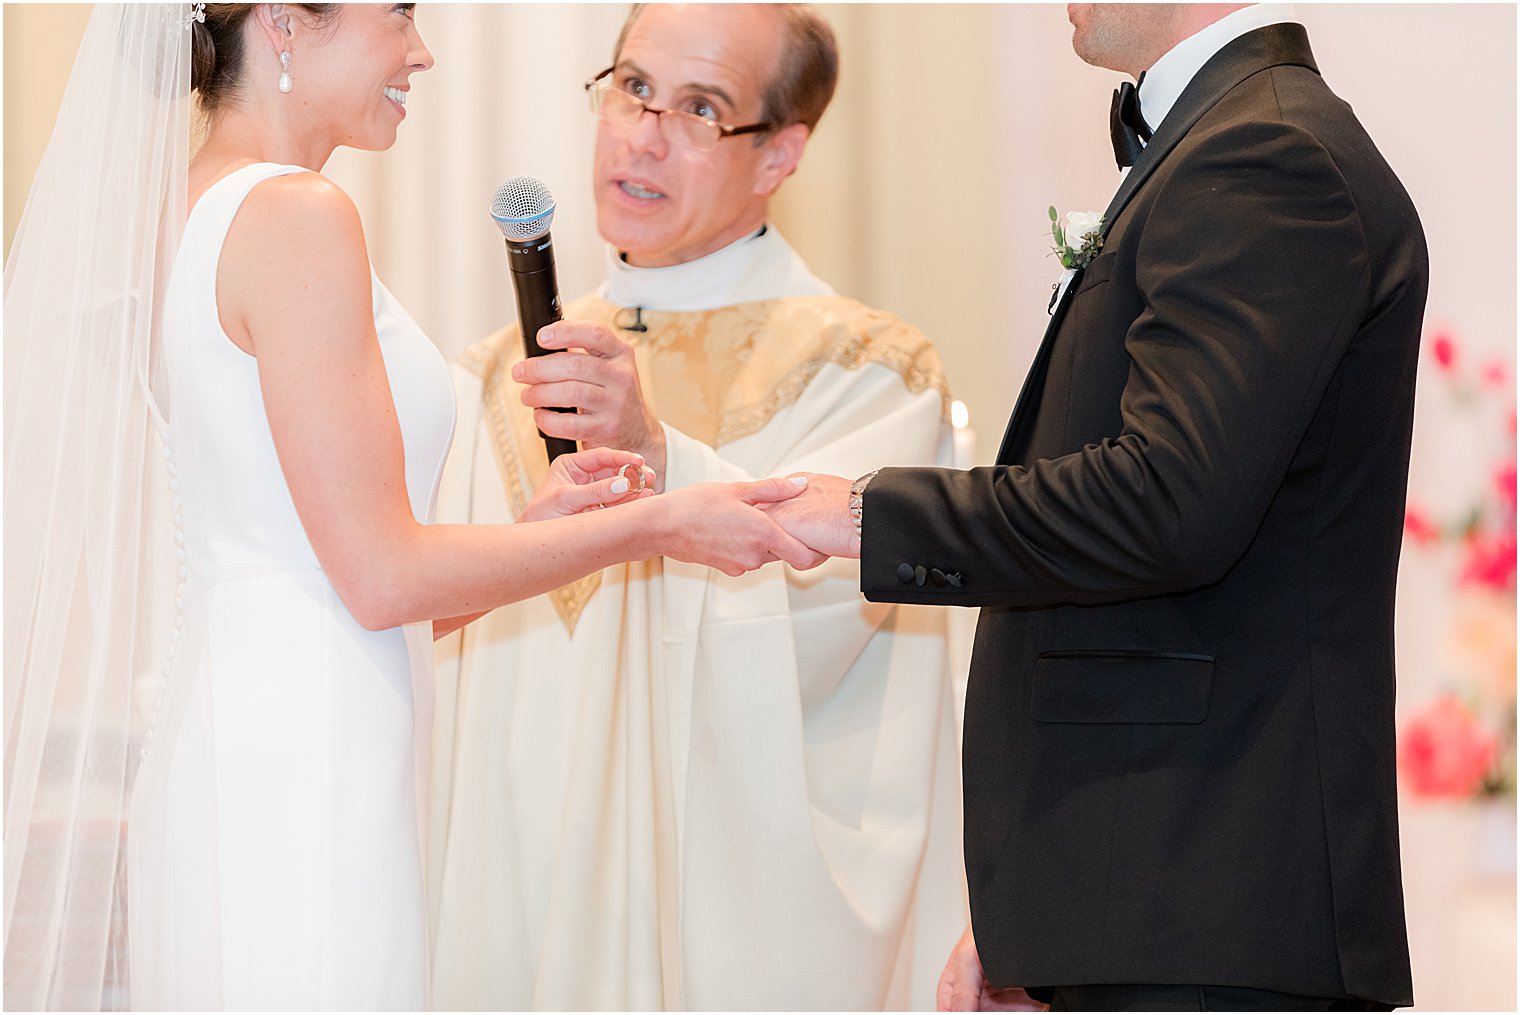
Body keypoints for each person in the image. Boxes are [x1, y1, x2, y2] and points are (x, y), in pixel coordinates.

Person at [2, 4, 821, 1010]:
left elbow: (325, 571)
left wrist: (537, 540)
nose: (420, 52)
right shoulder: (296, 215)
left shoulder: (191, 203)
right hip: (306, 747)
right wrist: (660, 521)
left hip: (244, 717)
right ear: (285, 24)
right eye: (398, 14)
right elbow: (381, 577)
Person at [767, 3, 1426, 1011]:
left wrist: (873, 518)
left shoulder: (1264, 151)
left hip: (1205, 918)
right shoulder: (1226, 137)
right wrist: (1034, 912)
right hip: (1151, 902)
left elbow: (1165, 501)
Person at [427, 4, 967, 1009]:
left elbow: (824, 615)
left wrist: (654, 454)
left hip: (714, 903)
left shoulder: (866, 371)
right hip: (518, 887)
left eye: (699, 107)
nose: (642, 135)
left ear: (778, 155)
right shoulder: (490, 374)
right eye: (631, 87)